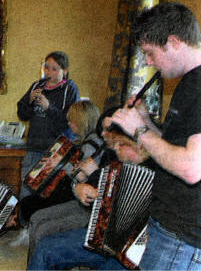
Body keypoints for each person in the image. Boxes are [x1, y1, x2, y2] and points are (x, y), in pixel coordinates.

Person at [28, 2, 201, 270]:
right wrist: (147, 121)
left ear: (174, 42)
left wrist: (139, 129)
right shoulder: (192, 81)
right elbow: (175, 148)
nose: (148, 62)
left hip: (182, 237)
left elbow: (193, 167)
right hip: (171, 227)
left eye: (150, 52)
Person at [26, 107, 119, 260]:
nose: (103, 134)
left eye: (108, 130)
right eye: (102, 129)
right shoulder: (106, 151)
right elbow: (85, 181)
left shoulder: (96, 146)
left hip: (94, 214)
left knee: (42, 227)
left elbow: (108, 194)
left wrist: (89, 174)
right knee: (36, 218)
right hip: (83, 202)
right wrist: (80, 181)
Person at [9, 100, 101, 247]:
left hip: (79, 196)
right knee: (34, 197)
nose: (69, 124)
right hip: (74, 190)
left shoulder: (91, 145)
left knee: (29, 203)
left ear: (81, 122)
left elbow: (81, 176)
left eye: (72, 121)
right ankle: (30, 233)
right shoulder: (89, 140)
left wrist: (61, 163)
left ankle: (33, 235)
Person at [17, 51, 80, 201]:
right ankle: (24, 223)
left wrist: (48, 107)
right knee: (26, 194)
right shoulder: (37, 85)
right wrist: (29, 102)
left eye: (54, 69)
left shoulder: (69, 89)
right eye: (47, 68)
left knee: (47, 197)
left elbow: (69, 122)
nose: (49, 72)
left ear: (64, 71)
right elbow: (22, 115)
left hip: (55, 152)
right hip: (34, 148)